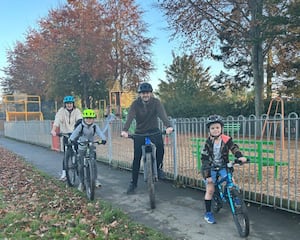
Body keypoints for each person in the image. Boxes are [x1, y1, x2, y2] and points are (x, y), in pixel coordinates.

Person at [121, 82, 174, 194]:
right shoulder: (135, 104)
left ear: (151, 93)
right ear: (140, 94)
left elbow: (162, 115)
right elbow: (130, 117)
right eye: (143, 93)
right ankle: (133, 183)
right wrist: (125, 130)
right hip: (140, 132)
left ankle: (159, 168)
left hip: (154, 131)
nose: (145, 95)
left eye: (147, 93)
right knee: (137, 158)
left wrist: (168, 126)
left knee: (160, 147)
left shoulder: (156, 102)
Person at [201, 115, 247, 224]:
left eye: (217, 127)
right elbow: (204, 159)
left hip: (223, 165)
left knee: (231, 181)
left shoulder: (226, 139)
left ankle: (234, 196)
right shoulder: (208, 143)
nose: (215, 130)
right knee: (210, 190)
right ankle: (208, 213)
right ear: (209, 130)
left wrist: (239, 156)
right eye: (212, 128)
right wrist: (207, 175)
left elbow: (234, 148)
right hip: (210, 167)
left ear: (221, 128)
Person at [69, 109, 107, 191]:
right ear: (84, 119)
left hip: (91, 145)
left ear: (93, 119)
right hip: (82, 145)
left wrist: (103, 139)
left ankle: (95, 180)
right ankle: (82, 183)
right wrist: (71, 139)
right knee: (81, 165)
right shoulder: (81, 126)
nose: (89, 120)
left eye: (91, 118)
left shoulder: (95, 126)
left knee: (93, 163)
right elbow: (75, 133)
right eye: (87, 118)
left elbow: (100, 133)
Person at [51, 95, 82, 181]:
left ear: (73, 104)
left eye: (71, 103)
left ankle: (79, 164)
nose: (69, 105)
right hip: (65, 134)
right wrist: (54, 130)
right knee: (66, 155)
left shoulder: (77, 111)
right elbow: (57, 120)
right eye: (67, 103)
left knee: (77, 150)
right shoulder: (61, 111)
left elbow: (79, 120)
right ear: (65, 104)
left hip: (74, 134)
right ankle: (64, 173)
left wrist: (79, 130)